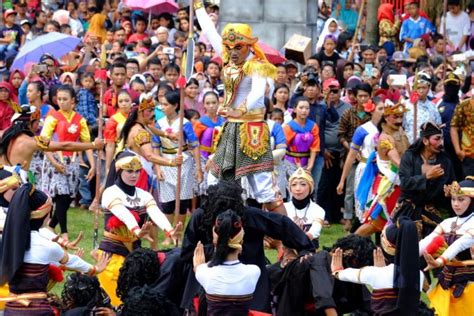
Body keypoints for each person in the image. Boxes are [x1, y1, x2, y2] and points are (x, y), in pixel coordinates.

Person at [194, 1, 285, 213]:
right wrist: (197, 5)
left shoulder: (257, 65)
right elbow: (208, 30)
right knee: (214, 183)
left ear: (249, 45)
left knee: (265, 192)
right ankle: (223, 235)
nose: (232, 51)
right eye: (228, 46)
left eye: (238, 47)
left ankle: (289, 242)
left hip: (252, 129)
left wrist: (239, 110)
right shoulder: (228, 59)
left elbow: (256, 94)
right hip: (230, 128)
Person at [180, 180, 315, 313]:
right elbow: (186, 253)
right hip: (209, 280)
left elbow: (282, 224)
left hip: (249, 284)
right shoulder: (201, 216)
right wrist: (208, 253)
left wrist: (305, 248)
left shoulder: (249, 215)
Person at [0, 182, 110, 315]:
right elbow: (72, 261)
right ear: (44, 215)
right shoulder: (48, 246)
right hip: (38, 312)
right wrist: (95, 268)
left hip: (10, 310)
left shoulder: (6, 241)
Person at [98, 151, 180, 306]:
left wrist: (169, 230)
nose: (134, 175)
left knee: (136, 299)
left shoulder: (144, 195)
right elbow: (123, 214)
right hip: (112, 255)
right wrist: (136, 230)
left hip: (136, 256)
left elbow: (156, 213)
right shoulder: (110, 192)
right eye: (129, 171)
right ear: (120, 170)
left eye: (137, 171)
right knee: (113, 302)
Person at [331, 217, 424, 315]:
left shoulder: (375, 273)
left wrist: (337, 272)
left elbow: (345, 274)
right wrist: (381, 270)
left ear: (388, 247)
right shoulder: (419, 274)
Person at [40, 86, 95, 241]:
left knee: (68, 196)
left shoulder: (80, 120)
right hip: (54, 160)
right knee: (61, 195)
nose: (61, 102)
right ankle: (64, 233)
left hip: (73, 162)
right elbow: (43, 143)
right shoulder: (52, 117)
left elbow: (87, 143)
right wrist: (54, 163)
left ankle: (50, 226)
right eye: (59, 99)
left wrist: (93, 165)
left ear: (73, 101)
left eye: (65, 99)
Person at [152, 90, 202, 243]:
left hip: (183, 162)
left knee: (182, 200)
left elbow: (194, 146)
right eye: (162, 104)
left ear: (175, 105)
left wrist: (199, 168)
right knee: (167, 202)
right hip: (165, 160)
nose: (163, 107)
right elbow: (155, 146)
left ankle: (178, 234)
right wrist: (158, 167)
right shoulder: (158, 124)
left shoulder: (185, 123)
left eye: (166, 104)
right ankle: (169, 233)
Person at [420, 177, 474, 316]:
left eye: (461, 200)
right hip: (447, 283)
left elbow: (460, 244)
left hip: (470, 284)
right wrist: (404, 255)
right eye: (453, 199)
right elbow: (428, 240)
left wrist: (439, 261)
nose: (456, 204)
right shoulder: (448, 222)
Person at [392, 122, 455, 237]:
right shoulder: (409, 157)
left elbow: (451, 184)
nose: (441, 143)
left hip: (433, 209)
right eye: (437, 139)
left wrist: (449, 192)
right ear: (425, 141)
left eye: (441, 139)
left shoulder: (445, 161)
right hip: (408, 209)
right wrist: (426, 177)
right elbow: (405, 183)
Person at [357, 99, 410, 236]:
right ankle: (348, 244)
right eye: (395, 117)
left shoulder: (400, 132)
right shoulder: (385, 138)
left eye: (401, 117)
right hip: (389, 184)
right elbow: (397, 161)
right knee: (376, 222)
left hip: (399, 182)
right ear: (386, 118)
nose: (399, 120)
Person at [193, 210, 260, 315]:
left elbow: (201, 270)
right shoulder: (254, 271)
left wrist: (197, 267)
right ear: (241, 239)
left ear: (215, 239)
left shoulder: (204, 272)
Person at [119, 92, 183, 192]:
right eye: (150, 111)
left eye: (153, 110)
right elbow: (149, 156)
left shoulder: (139, 125)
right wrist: (171, 162)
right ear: (140, 112)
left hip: (136, 169)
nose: (153, 114)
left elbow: (152, 129)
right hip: (139, 171)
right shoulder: (140, 132)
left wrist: (168, 135)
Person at [337, 97, 384, 223]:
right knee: (365, 207)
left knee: (381, 206)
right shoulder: (362, 130)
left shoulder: (388, 129)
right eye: (380, 108)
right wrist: (342, 180)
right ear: (372, 110)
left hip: (384, 171)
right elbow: (351, 155)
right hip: (365, 170)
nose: (384, 112)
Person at [337, 83, 372, 227]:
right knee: (350, 188)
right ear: (355, 97)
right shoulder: (348, 113)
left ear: (370, 97)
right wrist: (353, 149)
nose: (363, 99)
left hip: (369, 156)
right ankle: (348, 217)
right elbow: (341, 135)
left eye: (366, 96)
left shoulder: (373, 115)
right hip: (350, 155)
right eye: (360, 96)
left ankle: (366, 214)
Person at [192, 91, 225, 196]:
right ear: (204, 105)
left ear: (218, 103)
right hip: (204, 159)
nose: (211, 106)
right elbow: (193, 144)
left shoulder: (224, 121)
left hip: (222, 158)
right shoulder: (200, 123)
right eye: (208, 103)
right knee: (206, 190)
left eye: (214, 102)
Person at [285, 168, 325, 248]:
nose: (298, 189)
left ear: (310, 187)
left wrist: (302, 239)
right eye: (294, 185)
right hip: (288, 254)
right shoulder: (283, 208)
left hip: (310, 254)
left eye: (303, 184)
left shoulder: (318, 210)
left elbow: (315, 230)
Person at [403, 71, 441, 144]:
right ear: (414, 88)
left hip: (427, 147)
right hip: (409, 146)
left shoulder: (433, 106)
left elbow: (438, 127)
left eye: (424, 88)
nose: (421, 91)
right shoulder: (406, 105)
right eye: (418, 88)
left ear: (429, 87)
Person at [104, 90, 132, 178]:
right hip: (121, 154)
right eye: (121, 101)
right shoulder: (113, 120)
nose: (124, 104)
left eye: (126, 101)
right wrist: (108, 167)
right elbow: (110, 145)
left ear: (131, 101)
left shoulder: (137, 117)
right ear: (117, 103)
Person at [450, 94, 474, 178]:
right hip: (469, 155)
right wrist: (458, 150)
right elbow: (454, 128)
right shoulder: (464, 105)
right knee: (469, 186)